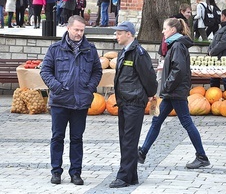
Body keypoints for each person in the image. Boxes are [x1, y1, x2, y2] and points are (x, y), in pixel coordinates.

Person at [138, 18, 210, 170]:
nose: (163, 31)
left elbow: (179, 70)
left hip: (175, 92)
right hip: (172, 91)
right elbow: (175, 68)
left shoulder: (177, 45)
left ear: (173, 30)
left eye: (165, 28)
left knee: (186, 122)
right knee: (156, 121)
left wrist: (166, 86)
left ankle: (202, 156)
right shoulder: (176, 45)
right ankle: (142, 152)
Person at [40, 15, 102, 185]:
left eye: (82, 30)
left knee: (77, 138)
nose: (79, 33)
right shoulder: (55, 49)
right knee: (57, 137)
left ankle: (76, 172)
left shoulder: (90, 49)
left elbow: (97, 71)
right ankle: (56, 172)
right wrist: (57, 87)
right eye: (76, 30)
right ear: (68, 28)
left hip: (80, 102)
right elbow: (45, 71)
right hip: (60, 101)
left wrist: (89, 88)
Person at [109, 21, 158, 188]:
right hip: (124, 102)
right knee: (125, 139)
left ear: (128, 34)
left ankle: (123, 177)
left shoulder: (139, 53)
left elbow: (149, 78)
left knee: (129, 140)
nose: (116, 36)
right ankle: (131, 176)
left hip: (134, 103)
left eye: (119, 33)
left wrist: (150, 95)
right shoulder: (125, 52)